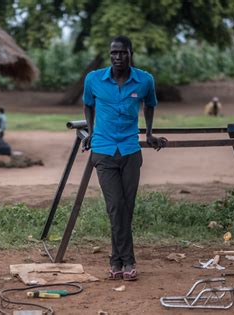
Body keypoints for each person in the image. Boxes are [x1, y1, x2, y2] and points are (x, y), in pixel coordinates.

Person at [82, 35, 167, 281]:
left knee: (126, 208)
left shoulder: (144, 80)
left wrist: (149, 134)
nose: (117, 57)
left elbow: (150, 105)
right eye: (113, 53)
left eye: (122, 53)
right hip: (104, 150)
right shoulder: (94, 79)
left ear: (131, 53)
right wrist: (90, 131)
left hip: (130, 150)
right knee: (116, 205)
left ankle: (117, 262)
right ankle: (125, 260)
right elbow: (88, 105)